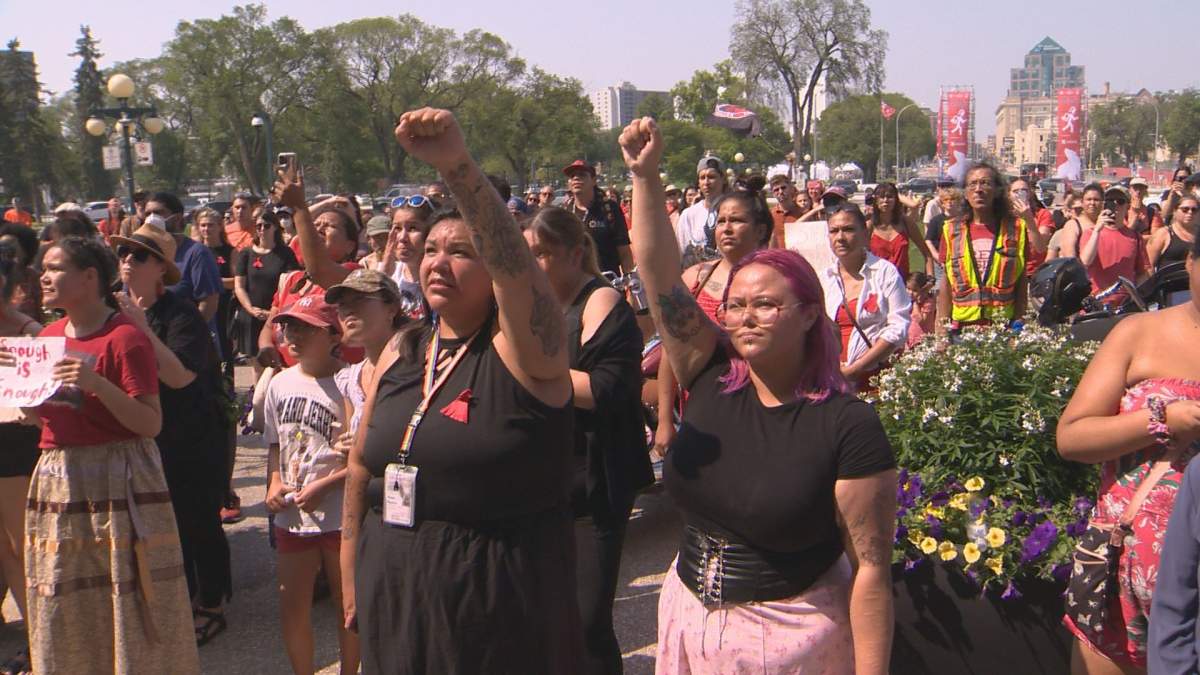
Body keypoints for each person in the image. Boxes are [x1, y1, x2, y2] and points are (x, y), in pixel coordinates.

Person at [619, 116, 895, 674]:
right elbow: (659, 275)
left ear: (809, 314)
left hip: (792, 640)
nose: (745, 317)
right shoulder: (707, 370)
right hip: (687, 621)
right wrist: (645, 178)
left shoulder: (848, 426)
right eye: (736, 305)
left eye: (766, 305)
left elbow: (870, 571)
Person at [342, 108, 582, 673]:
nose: (439, 262)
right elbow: (360, 467)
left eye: (461, 251)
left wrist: (457, 166)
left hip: (495, 601)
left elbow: (517, 271)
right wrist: (352, 572)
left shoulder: (526, 355)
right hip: (396, 587)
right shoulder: (402, 351)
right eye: (430, 250)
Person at [17, 236, 200, 674]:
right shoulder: (47, 337)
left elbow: (150, 423)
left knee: (129, 598)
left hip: (120, 478)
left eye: (55, 268)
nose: (44, 277)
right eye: (44, 267)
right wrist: (23, 400)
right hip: (62, 479)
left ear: (89, 277)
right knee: (65, 599)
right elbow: (50, 421)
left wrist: (96, 384)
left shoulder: (125, 338)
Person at [1056, 233, 1200, 673]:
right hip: (1122, 575)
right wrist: (1159, 421)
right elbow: (1072, 437)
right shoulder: (1139, 333)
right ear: (1190, 263)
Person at [523, 206, 653, 674]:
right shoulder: (527, 307)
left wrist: (530, 369)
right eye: (526, 254)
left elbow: (604, 390)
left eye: (542, 253)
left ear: (575, 253)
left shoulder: (602, 303)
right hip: (541, 480)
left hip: (594, 481)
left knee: (586, 620)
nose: (532, 264)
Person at [111, 222, 233, 648]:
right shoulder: (112, 309)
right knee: (160, 524)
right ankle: (179, 598)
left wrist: (141, 328)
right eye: (123, 253)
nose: (128, 260)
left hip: (192, 435)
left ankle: (211, 603)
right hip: (144, 437)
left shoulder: (180, 313)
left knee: (198, 520)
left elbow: (180, 376)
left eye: (139, 255)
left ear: (161, 268)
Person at [261, 295, 357, 675]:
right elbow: (274, 444)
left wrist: (327, 485)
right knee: (293, 608)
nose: (292, 335)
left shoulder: (350, 382)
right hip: (293, 515)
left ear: (334, 335)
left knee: (347, 607)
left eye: (305, 328)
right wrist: (273, 481)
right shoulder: (279, 383)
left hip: (340, 514)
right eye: (289, 326)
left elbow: (362, 458)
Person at [653, 177, 772, 459]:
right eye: (721, 221)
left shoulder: (779, 280)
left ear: (760, 229)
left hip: (761, 409)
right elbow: (671, 350)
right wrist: (665, 420)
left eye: (737, 220)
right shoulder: (694, 279)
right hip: (700, 411)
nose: (726, 228)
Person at [0, 248, 40, 675]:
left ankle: (39, 640)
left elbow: (50, 409)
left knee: (19, 548)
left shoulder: (30, 335)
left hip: (13, 444)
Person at [823, 203, 911, 391]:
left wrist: (856, 369)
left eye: (848, 229)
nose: (840, 237)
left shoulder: (884, 272)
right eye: (834, 231)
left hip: (876, 381)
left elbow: (898, 327)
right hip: (833, 382)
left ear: (864, 234)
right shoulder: (825, 278)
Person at [937, 163, 1031, 332]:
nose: (978, 189)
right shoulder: (951, 230)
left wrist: (1018, 325)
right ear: (965, 193)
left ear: (997, 191)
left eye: (985, 183)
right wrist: (941, 332)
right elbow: (946, 284)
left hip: (1003, 327)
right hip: (963, 329)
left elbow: (1021, 282)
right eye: (972, 184)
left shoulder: (1016, 229)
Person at [234, 207, 301, 364]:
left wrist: (272, 313)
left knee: (279, 361)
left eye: (266, 225)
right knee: (256, 364)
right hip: (251, 314)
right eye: (258, 226)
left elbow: (292, 286)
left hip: (277, 314)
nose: (262, 229)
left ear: (275, 227)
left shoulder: (285, 253)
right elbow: (239, 285)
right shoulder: (246, 253)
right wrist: (251, 309)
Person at [1073, 185, 1150, 304]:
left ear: (1127, 206)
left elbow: (1144, 273)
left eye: (1120, 201)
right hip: (1097, 302)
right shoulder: (1090, 233)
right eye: (1110, 201)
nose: (1115, 205)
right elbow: (1085, 262)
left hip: (1125, 305)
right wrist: (1097, 230)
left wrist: (1132, 294)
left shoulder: (1135, 237)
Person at [562, 160, 634, 278]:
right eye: (572, 176)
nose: (576, 178)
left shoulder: (609, 208)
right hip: (575, 283)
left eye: (582, 175)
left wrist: (629, 280)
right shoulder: (565, 212)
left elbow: (624, 251)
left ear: (594, 180)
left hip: (607, 280)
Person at [192, 207, 237, 375]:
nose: (206, 229)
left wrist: (211, 282)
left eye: (210, 225)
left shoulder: (230, 252)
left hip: (223, 307)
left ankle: (227, 386)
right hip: (199, 305)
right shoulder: (195, 251)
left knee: (224, 350)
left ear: (219, 226)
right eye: (203, 225)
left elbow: (236, 282)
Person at [868, 182, 935, 280]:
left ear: (896, 200)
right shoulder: (869, 226)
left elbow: (927, 253)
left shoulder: (906, 222)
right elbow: (858, 257)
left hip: (902, 282)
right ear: (876, 200)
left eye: (890, 197)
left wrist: (930, 278)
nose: (885, 200)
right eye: (881, 197)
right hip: (877, 282)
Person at [377, 195, 434, 310]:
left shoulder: (439, 277)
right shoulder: (386, 274)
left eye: (413, 228)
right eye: (397, 228)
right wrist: (384, 275)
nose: (403, 237)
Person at [675, 156, 729, 266]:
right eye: (702, 178)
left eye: (711, 177)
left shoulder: (734, 210)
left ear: (723, 179)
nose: (706, 182)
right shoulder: (689, 215)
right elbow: (680, 252)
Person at [1009, 178, 1056, 276]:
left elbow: (1040, 247)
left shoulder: (1043, 214)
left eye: (1024, 190)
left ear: (1029, 193)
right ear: (1009, 195)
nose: (1020, 194)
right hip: (1010, 271)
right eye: (1015, 191)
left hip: (1034, 272)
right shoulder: (1004, 216)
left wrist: (1029, 219)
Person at [0, 223, 41, 319]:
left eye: (10, 247)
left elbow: (40, 311)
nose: (4, 251)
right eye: (1, 246)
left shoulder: (33, 278)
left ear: (25, 251)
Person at [1148, 194, 1198, 270]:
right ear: (1175, 211)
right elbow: (1148, 265)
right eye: (1185, 209)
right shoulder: (1163, 234)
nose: (1190, 212)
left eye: (1194, 210)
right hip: (1168, 277)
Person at [768, 173, 807, 250]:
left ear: (791, 188)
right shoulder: (769, 215)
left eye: (783, 188)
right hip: (777, 256)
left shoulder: (803, 213)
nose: (780, 192)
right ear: (773, 194)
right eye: (776, 190)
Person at [905, 272, 937, 348]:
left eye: (915, 290)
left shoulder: (928, 302)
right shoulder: (907, 302)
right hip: (909, 339)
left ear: (923, 290)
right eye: (908, 289)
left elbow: (920, 320)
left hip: (922, 340)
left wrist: (915, 303)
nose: (910, 293)